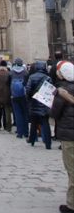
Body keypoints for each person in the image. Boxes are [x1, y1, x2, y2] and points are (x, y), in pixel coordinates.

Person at [50, 60, 74, 213]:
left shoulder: (62, 91)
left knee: (72, 168)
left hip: (69, 135)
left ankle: (71, 204)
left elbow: (53, 114)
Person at [26, 60, 52, 149]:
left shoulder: (31, 77)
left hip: (34, 102)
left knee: (34, 123)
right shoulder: (48, 78)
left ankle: (32, 140)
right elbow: (50, 91)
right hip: (44, 103)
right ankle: (48, 143)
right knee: (45, 123)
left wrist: (29, 99)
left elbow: (28, 89)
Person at [10, 57, 29, 139]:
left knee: (17, 114)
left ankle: (19, 132)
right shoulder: (25, 72)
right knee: (25, 113)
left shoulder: (11, 72)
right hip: (23, 95)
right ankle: (26, 132)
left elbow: (8, 83)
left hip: (14, 96)